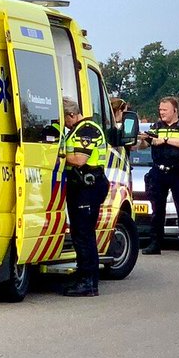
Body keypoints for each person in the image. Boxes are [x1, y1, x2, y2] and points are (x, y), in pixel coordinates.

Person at [60, 97, 109, 297]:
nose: (63, 123)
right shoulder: (77, 130)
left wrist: (58, 155)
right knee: (81, 234)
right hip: (82, 187)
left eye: (64, 118)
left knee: (84, 236)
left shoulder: (87, 129)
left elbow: (80, 159)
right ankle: (85, 279)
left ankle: (88, 283)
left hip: (88, 187)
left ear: (71, 114)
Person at [137, 97, 179, 256]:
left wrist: (165, 140)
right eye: (160, 109)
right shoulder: (156, 127)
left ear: (175, 110)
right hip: (159, 172)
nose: (161, 112)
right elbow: (145, 145)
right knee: (157, 210)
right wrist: (143, 140)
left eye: (165, 110)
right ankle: (155, 244)